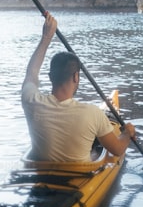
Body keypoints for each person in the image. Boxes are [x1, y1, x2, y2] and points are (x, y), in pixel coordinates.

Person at [21, 13, 135, 162]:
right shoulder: (93, 113)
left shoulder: (31, 101)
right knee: (96, 146)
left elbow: (31, 73)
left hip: (40, 175)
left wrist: (46, 37)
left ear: (50, 77)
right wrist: (127, 133)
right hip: (81, 176)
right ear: (76, 77)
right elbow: (118, 149)